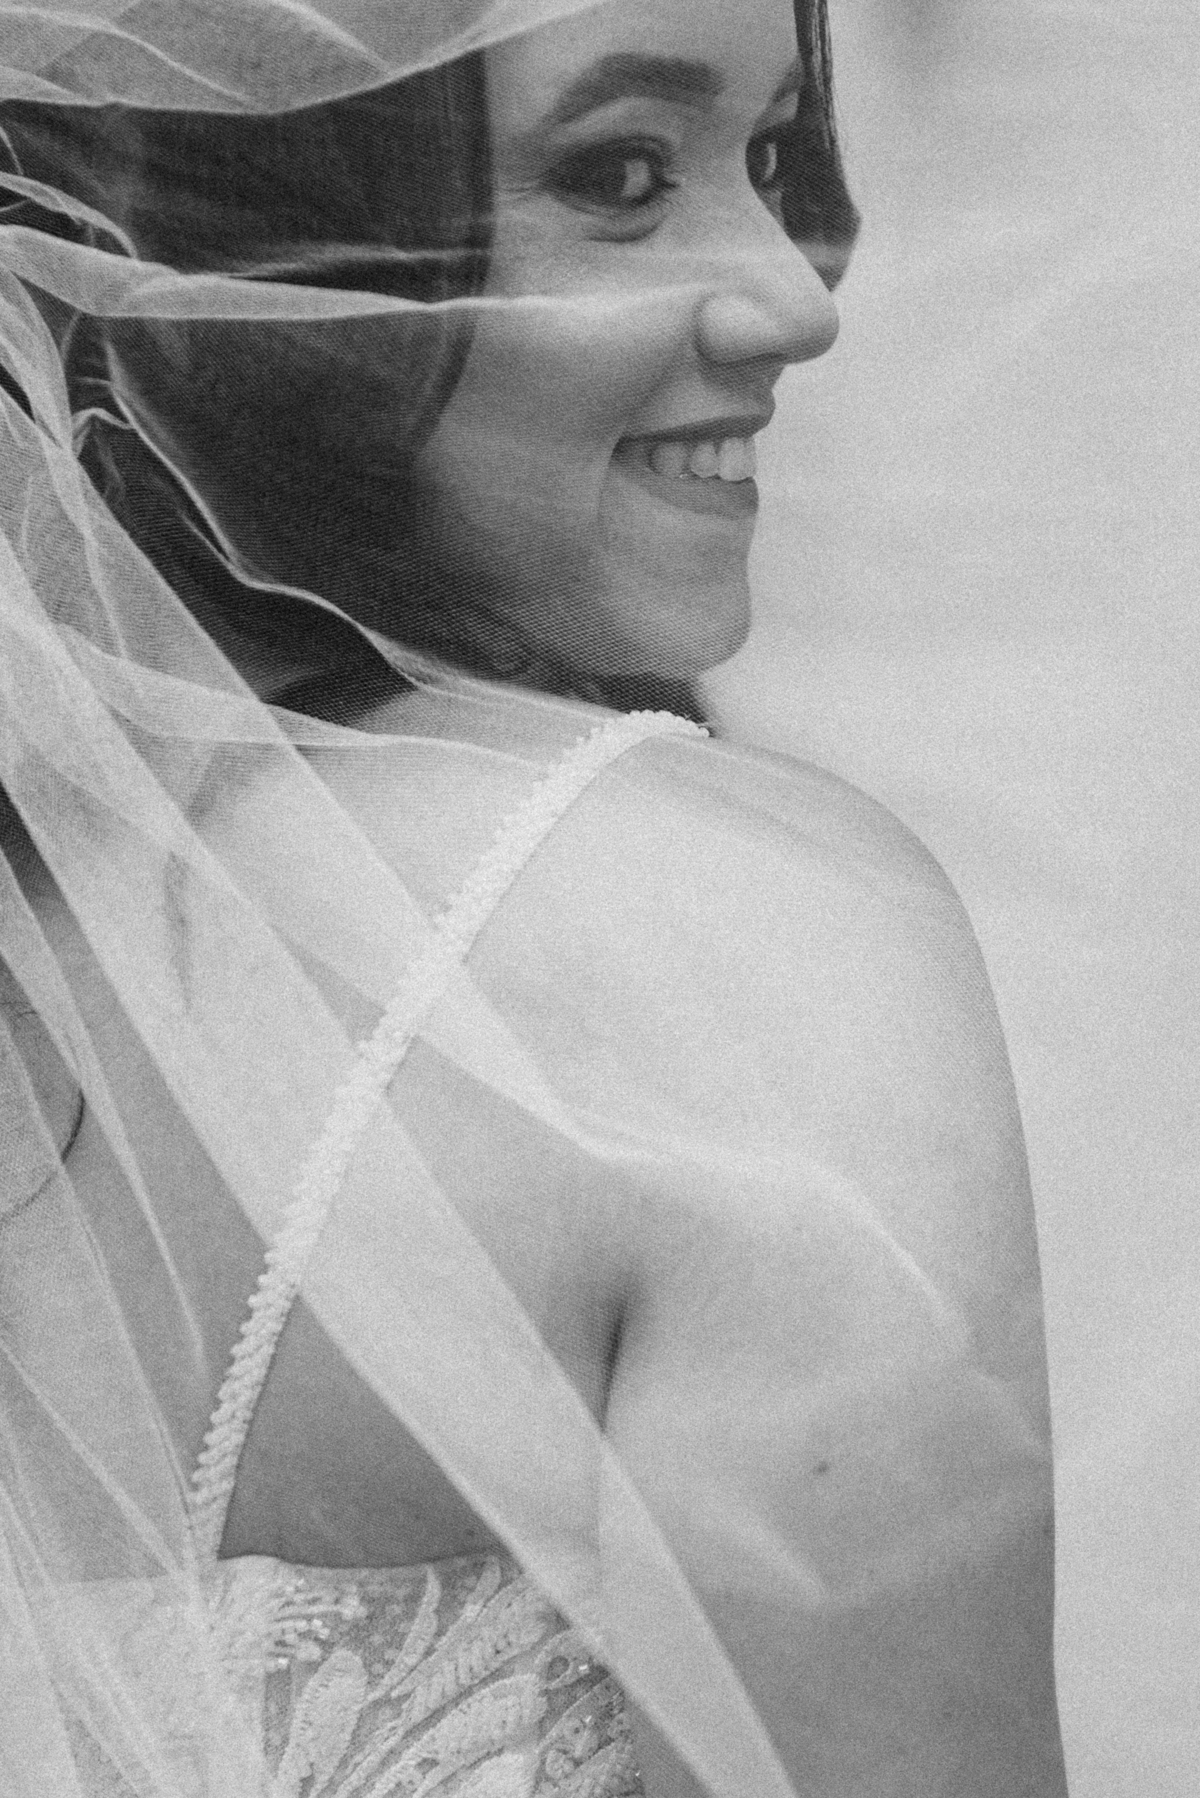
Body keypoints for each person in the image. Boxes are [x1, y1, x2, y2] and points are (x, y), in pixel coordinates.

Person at [0, 1, 1068, 1793]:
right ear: (260, 244)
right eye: (621, 176)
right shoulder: (732, 941)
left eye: (773, 156)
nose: (796, 294)